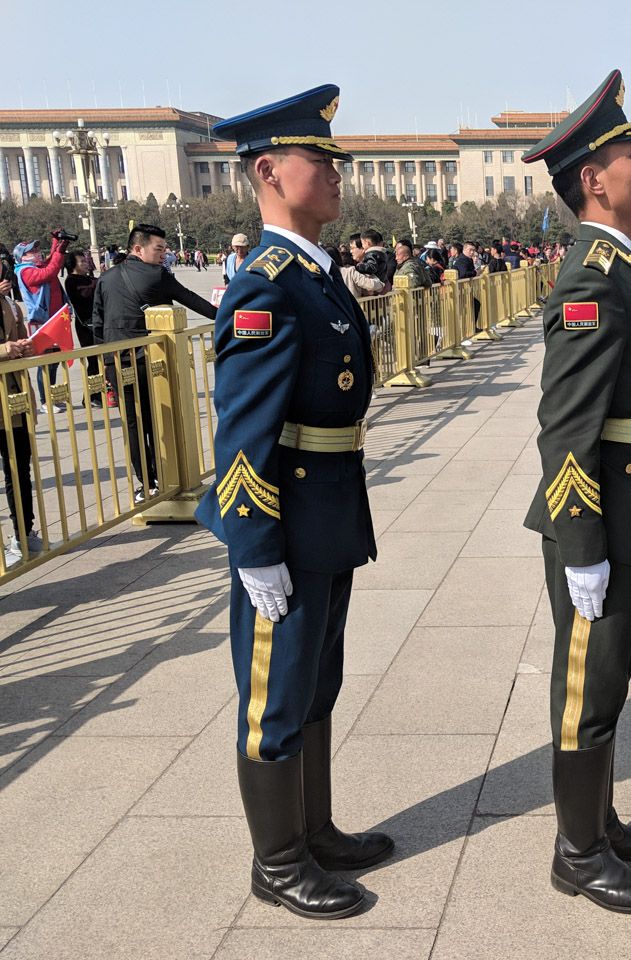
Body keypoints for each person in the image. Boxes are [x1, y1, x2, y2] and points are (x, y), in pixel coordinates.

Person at [194, 84, 391, 921]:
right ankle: (276, 862)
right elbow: (242, 437)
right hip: (287, 522)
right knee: (274, 697)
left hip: (330, 512)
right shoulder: (267, 285)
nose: (337, 174)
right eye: (322, 160)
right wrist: (254, 548)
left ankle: (313, 828)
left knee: (316, 684)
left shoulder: (314, 273)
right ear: (271, 170)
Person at [521, 68, 631, 915]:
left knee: (609, 680)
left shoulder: (622, 266)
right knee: (587, 684)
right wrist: (581, 548)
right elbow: (567, 428)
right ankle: (577, 854)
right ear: (593, 179)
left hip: (630, 509)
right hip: (599, 521)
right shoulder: (591, 275)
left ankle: (601, 821)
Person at [92, 224, 217, 502]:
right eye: (158, 249)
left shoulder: (107, 277)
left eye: (164, 249)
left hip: (116, 361)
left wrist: (102, 360)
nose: (164, 255)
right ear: (138, 248)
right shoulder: (157, 275)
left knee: (133, 424)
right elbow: (193, 300)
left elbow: (97, 324)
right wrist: (227, 316)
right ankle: (167, 477)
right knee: (156, 419)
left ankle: (146, 484)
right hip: (150, 361)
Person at [1, 282, 41, 568]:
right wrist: (4, 349)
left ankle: (24, 533)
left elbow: (21, 339)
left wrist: (26, 347)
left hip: (13, 400)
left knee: (18, 469)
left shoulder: (11, 304)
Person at [13, 234, 71, 413]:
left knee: (53, 361)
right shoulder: (25, 271)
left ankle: (51, 397)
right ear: (22, 256)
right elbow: (50, 271)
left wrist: (57, 242)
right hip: (42, 321)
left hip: (52, 319)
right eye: (32, 251)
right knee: (45, 363)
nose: (37, 253)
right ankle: (45, 401)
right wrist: (59, 251)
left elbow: (49, 262)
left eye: (37, 249)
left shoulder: (34, 266)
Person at [62, 250, 101, 405]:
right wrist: (102, 279)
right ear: (73, 265)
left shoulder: (88, 278)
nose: (86, 264)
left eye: (86, 261)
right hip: (86, 326)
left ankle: (99, 393)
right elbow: (86, 292)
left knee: (100, 359)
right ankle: (91, 396)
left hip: (96, 323)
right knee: (93, 360)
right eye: (82, 262)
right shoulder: (72, 280)